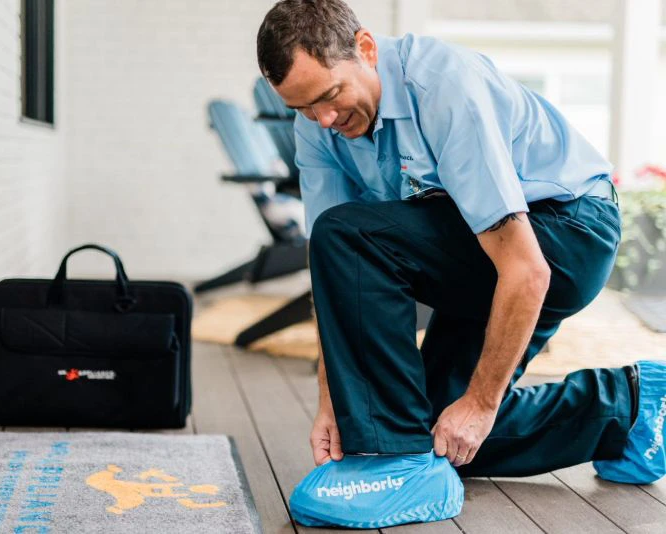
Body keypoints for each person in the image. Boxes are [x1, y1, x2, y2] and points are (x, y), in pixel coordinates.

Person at [256, 0, 666, 483]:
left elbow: (527, 269)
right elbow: (332, 271)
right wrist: (334, 402)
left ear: (365, 48)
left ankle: (395, 461)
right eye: (302, 108)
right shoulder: (318, 124)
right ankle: (636, 406)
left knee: (352, 235)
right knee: (432, 428)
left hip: (568, 231)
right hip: (478, 244)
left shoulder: (446, 88)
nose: (322, 119)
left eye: (330, 95)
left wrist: (481, 402)